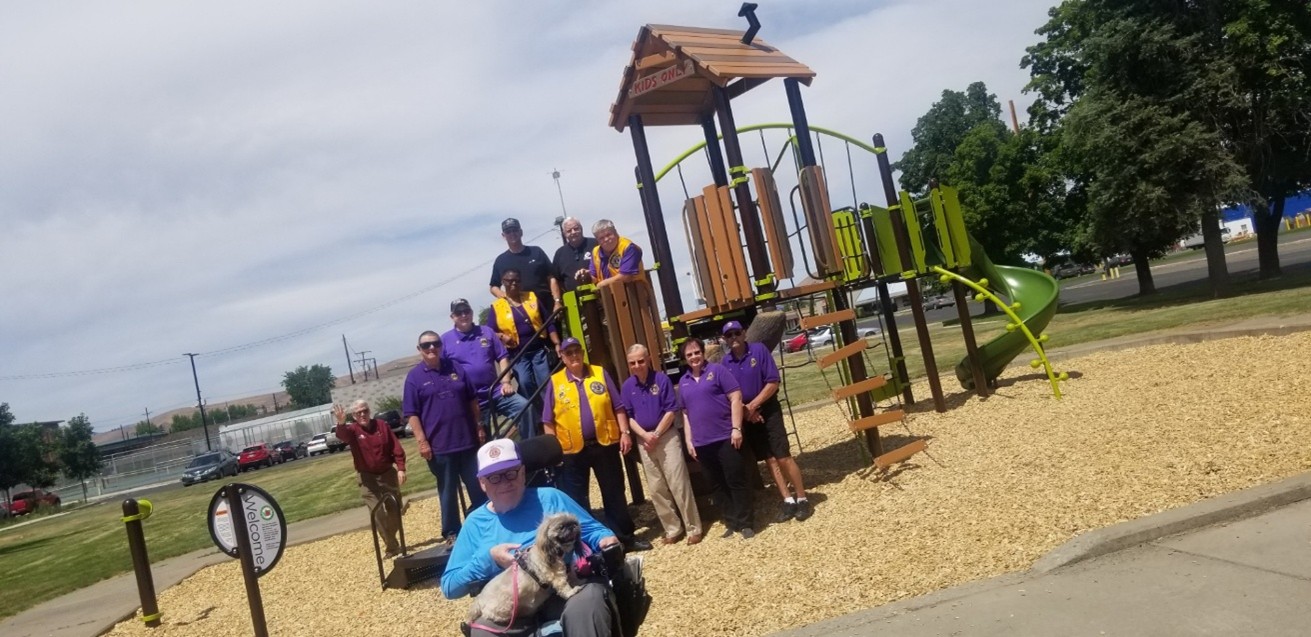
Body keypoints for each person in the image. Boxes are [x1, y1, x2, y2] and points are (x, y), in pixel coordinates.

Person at [441, 439, 620, 637]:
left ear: (523, 472)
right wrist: (488, 559)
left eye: (511, 473)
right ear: (482, 483)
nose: (505, 482)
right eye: (494, 478)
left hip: (565, 588)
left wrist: (605, 539)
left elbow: (593, 531)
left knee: (589, 600)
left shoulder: (551, 498)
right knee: (483, 632)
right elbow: (450, 587)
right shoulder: (474, 524)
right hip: (511, 607)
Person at [543, 338, 652, 552]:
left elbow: (618, 406)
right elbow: (548, 420)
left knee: (614, 493)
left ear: (582, 353)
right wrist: (553, 451)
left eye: (577, 351)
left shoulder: (599, 373)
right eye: (569, 352)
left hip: (605, 444)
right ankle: (584, 547)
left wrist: (625, 433)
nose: (574, 355)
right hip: (571, 450)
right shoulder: (555, 382)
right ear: (562, 357)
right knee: (576, 501)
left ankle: (625, 539)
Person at [720, 321, 813, 522]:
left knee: (782, 456)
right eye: (729, 335)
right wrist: (747, 411)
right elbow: (729, 394)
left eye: (736, 332)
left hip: (768, 410)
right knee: (769, 459)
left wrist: (753, 405)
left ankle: (802, 497)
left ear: (744, 333)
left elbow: (772, 382)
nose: (733, 337)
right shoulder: (725, 363)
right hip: (747, 416)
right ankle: (787, 500)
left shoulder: (759, 351)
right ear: (725, 340)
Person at [403, 330, 488, 541]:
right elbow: (411, 414)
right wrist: (422, 442)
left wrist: (479, 426)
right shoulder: (414, 378)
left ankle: (484, 526)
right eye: (426, 345)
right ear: (419, 350)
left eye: (435, 343)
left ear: (441, 346)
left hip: (467, 442)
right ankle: (452, 533)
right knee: (448, 492)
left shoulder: (455, 368)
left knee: (479, 488)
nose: (431, 348)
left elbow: (472, 400)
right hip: (440, 447)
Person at [619, 344, 703, 545]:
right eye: (633, 363)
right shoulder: (628, 386)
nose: (637, 365)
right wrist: (644, 436)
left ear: (648, 359)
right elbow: (627, 416)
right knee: (656, 487)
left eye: (641, 360)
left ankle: (693, 528)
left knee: (678, 482)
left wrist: (655, 434)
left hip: (666, 437)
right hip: (643, 440)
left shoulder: (661, 379)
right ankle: (673, 529)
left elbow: (671, 410)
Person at [677, 337, 754, 539]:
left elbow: (735, 397)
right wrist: (688, 441)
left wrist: (736, 428)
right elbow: (685, 414)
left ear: (703, 353)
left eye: (696, 352)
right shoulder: (684, 382)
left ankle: (746, 522)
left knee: (735, 479)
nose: (694, 357)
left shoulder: (717, 371)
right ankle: (731, 521)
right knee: (717, 484)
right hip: (703, 443)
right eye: (689, 354)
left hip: (725, 437)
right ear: (684, 359)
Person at [444, 298, 533, 441]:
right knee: (483, 439)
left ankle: (528, 448)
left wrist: (506, 382)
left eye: (466, 311)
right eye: (458, 313)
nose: (463, 315)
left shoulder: (487, 332)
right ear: (452, 317)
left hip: (496, 391)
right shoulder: (445, 340)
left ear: (471, 313)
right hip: (472, 400)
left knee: (525, 407)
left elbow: (503, 357)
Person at [488, 268, 562, 435]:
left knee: (545, 383)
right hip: (518, 355)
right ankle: (536, 421)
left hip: (538, 351)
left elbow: (548, 322)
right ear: (503, 283)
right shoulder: (496, 306)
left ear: (520, 282)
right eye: (509, 281)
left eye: (516, 280)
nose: (513, 284)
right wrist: (502, 337)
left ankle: (551, 419)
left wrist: (556, 343)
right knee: (526, 383)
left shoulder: (532, 297)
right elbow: (489, 331)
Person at [333, 399, 407, 557]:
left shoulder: (381, 425)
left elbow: (396, 447)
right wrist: (341, 422)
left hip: (387, 473)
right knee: (377, 512)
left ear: (369, 411)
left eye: (365, 411)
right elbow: (342, 435)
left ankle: (391, 542)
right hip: (367, 478)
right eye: (358, 413)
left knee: (395, 511)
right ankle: (392, 546)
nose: (362, 415)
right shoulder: (352, 430)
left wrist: (400, 468)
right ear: (353, 416)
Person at [491, 217, 562, 317]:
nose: (512, 234)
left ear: (521, 232)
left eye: (515, 230)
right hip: (522, 314)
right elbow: (494, 286)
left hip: (547, 307)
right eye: (508, 232)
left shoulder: (537, 252)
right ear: (504, 236)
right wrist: (506, 298)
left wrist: (557, 301)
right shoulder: (501, 260)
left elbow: (552, 278)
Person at [581, 219, 644, 289]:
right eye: (601, 238)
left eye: (608, 235)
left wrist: (601, 284)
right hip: (608, 296)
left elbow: (626, 277)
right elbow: (594, 278)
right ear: (597, 240)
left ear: (616, 232)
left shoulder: (628, 247)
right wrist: (585, 276)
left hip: (635, 294)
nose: (606, 239)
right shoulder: (595, 252)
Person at [552, 216, 599, 296]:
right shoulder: (559, 253)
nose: (573, 232)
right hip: (574, 302)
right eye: (569, 231)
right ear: (564, 234)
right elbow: (556, 279)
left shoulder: (596, 244)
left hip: (600, 296)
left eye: (576, 228)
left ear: (581, 228)